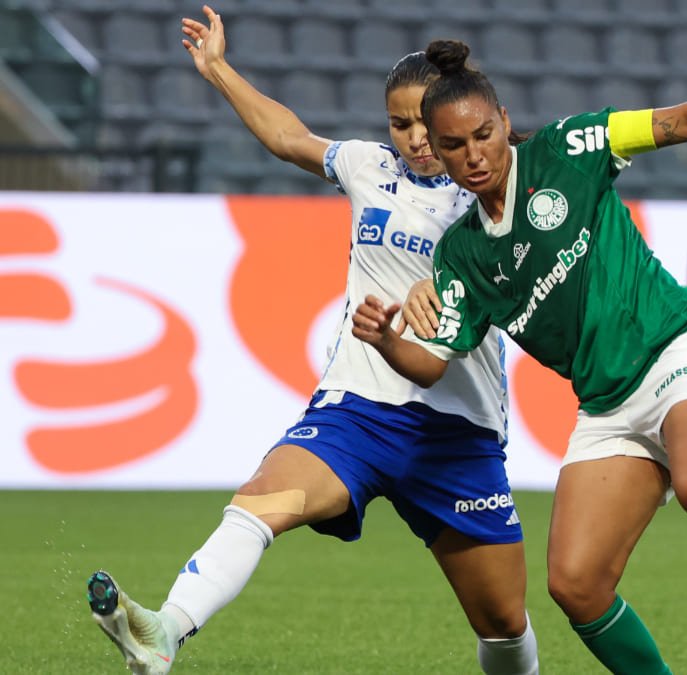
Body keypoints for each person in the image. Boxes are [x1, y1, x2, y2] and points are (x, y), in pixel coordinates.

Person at [353, 39, 687, 675]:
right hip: (608, 406)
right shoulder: (462, 255)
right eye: (454, 146)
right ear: (438, 155)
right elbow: (433, 364)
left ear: (504, 122)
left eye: (483, 135)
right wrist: (390, 341)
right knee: (575, 585)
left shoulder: (571, 148)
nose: (473, 155)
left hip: (679, 349)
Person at [85, 8, 538, 675]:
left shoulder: (489, 195)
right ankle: (164, 630)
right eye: (398, 122)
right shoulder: (366, 167)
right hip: (358, 407)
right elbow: (288, 135)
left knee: (502, 621)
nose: (413, 138)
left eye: (423, 123)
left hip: (457, 428)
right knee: (261, 497)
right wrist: (216, 69)